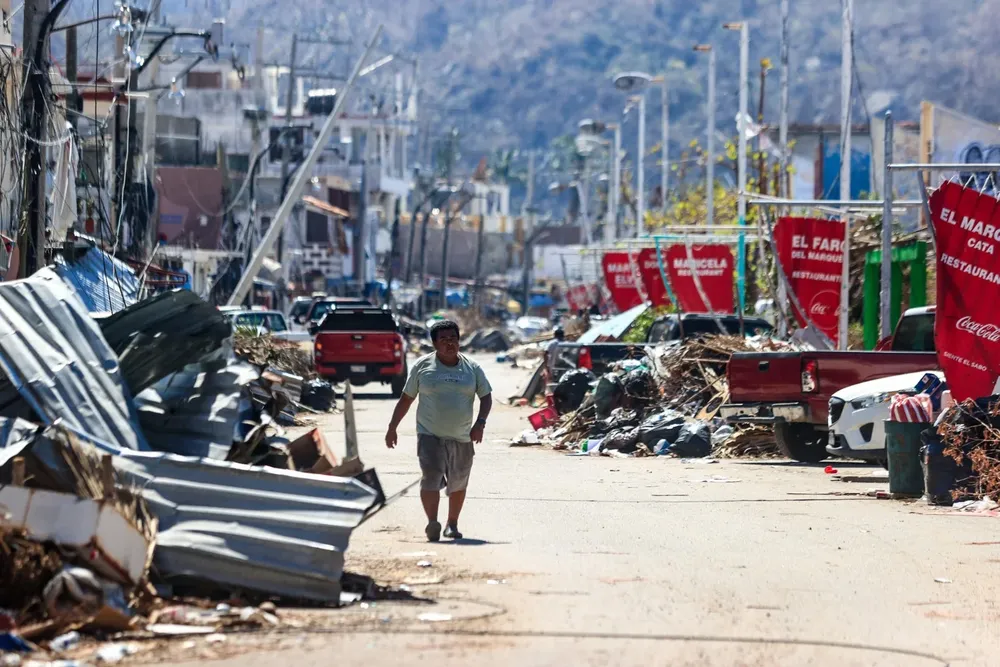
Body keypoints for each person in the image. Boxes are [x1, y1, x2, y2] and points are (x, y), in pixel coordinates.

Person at [385, 320, 493, 542]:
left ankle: (452, 524)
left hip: (463, 436)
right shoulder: (422, 367)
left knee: (459, 482)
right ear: (434, 343)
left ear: (459, 341)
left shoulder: (472, 368)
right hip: (429, 435)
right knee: (430, 478)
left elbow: (486, 396)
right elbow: (406, 398)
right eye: (443, 339)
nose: (449, 343)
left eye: (453, 338)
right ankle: (432, 522)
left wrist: (480, 423)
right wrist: (392, 427)